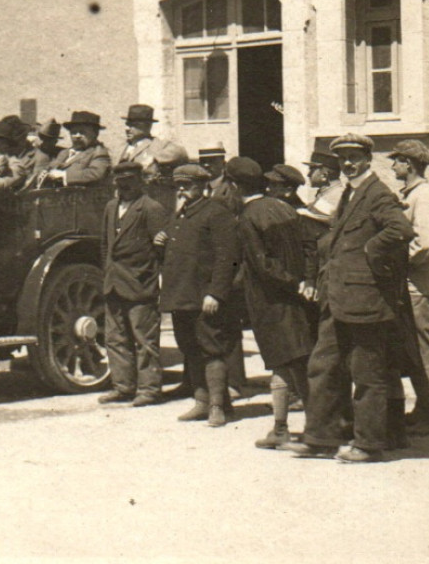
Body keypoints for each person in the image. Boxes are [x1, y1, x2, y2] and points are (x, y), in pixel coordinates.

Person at [285, 134, 415, 463]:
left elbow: (400, 230)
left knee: (367, 373)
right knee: (323, 367)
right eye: (343, 158)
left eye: (354, 157)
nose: (347, 163)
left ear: (368, 159)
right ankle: (320, 439)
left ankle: (369, 444)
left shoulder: (377, 193)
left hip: (366, 300)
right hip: (337, 298)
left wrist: (371, 252)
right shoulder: (351, 192)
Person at [227, 157, 315, 449]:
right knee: (289, 361)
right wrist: (305, 281)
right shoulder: (284, 208)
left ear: (235, 186)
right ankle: (280, 427)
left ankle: (315, 427)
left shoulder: (248, 217)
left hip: (271, 300)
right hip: (297, 297)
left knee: (289, 363)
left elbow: (263, 265)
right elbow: (309, 245)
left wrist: (290, 282)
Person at [157, 163, 240, 427]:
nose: (182, 190)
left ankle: (218, 407)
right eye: (179, 185)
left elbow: (228, 257)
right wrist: (161, 241)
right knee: (190, 348)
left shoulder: (216, 213)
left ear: (203, 186)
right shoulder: (179, 215)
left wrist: (215, 292)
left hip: (204, 296)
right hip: (181, 294)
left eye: (188, 185)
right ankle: (202, 402)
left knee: (211, 348)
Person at [96, 161, 170, 406]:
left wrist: (148, 278)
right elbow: (107, 245)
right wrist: (108, 271)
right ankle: (123, 386)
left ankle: (149, 390)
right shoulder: (110, 207)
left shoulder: (151, 208)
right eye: (120, 182)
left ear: (140, 182)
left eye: (129, 182)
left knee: (144, 339)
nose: (124, 187)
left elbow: (161, 251)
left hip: (140, 284)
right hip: (113, 283)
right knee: (115, 338)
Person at [390, 139, 429, 436]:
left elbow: (428, 245)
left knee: (424, 351)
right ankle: (426, 408)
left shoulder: (423, 197)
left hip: (420, 288)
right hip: (416, 287)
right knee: (415, 351)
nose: (393, 166)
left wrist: (401, 263)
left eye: (397, 161)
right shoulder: (413, 194)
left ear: (409, 164)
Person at [45, 111, 112, 186]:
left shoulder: (99, 152)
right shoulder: (64, 152)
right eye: (73, 132)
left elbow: (96, 173)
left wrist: (64, 175)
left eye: (82, 132)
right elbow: (50, 168)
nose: (77, 136)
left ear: (95, 134)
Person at [19, 118, 62, 190]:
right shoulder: (34, 153)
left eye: (51, 140)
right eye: (45, 139)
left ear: (56, 141)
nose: (47, 142)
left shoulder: (60, 152)